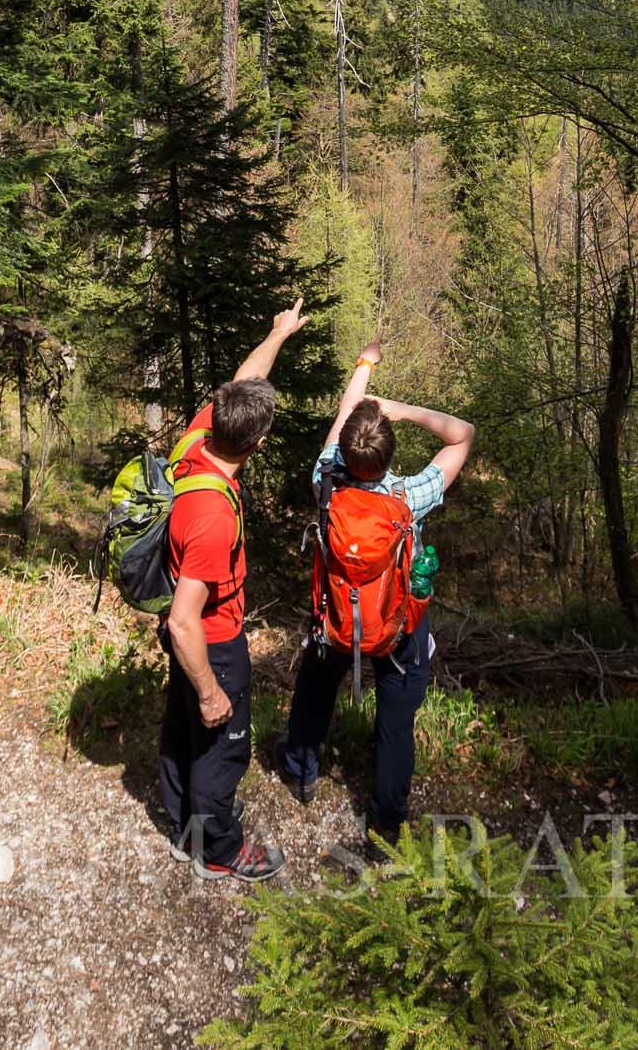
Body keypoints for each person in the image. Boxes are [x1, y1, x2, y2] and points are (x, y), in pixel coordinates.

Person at [274, 338, 474, 850]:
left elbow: (343, 418)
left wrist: (364, 364)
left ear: (345, 451)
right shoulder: (410, 496)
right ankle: (386, 820)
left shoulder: (325, 482)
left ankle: (300, 771)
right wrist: (401, 410)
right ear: (390, 456)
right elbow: (462, 435)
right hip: (397, 622)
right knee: (396, 719)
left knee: (316, 688)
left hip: (336, 616)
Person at [158, 297, 306, 883]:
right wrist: (211, 689)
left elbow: (246, 379)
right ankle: (220, 850)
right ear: (258, 443)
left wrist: (278, 334)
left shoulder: (197, 441)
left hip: (191, 637)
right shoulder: (214, 517)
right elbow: (183, 621)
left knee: (181, 732)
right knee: (221, 746)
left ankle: (184, 829)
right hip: (212, 641)